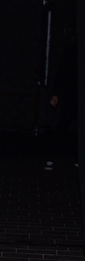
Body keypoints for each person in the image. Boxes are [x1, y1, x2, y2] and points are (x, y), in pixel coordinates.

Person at [44, 39, 78, 171]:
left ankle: (79, 158)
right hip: (71, 96)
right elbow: (61, 73)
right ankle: (51, 157)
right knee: (62, 126)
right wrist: (55, 94)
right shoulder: (71, 51)